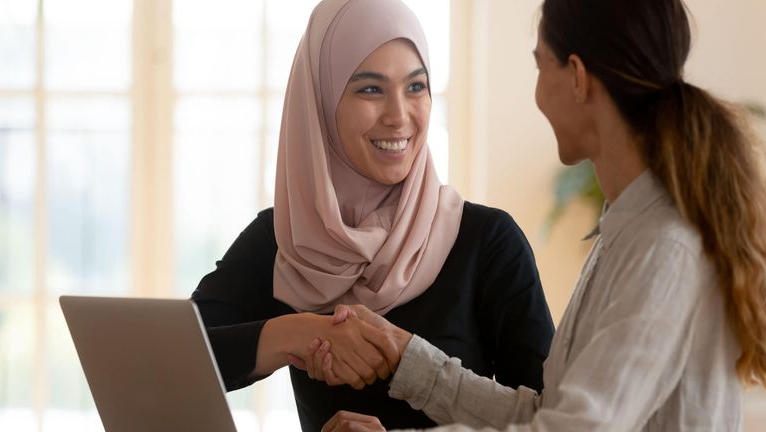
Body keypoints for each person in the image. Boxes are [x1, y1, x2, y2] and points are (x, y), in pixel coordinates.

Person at [306, 0, 766, 430]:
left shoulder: (663, 246)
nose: (538, 91)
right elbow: (549, 412)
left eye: (540, 64)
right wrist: (405, 355)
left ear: (578, 78)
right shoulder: (625, 230)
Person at [189, 0, 554, 430]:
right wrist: (300, 333)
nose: (399, 117)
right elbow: (168, 360)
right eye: (370, 89)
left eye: (416, 87)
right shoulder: (287, 239)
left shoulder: (488, 242)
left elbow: (550, 420)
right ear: (322, 104)